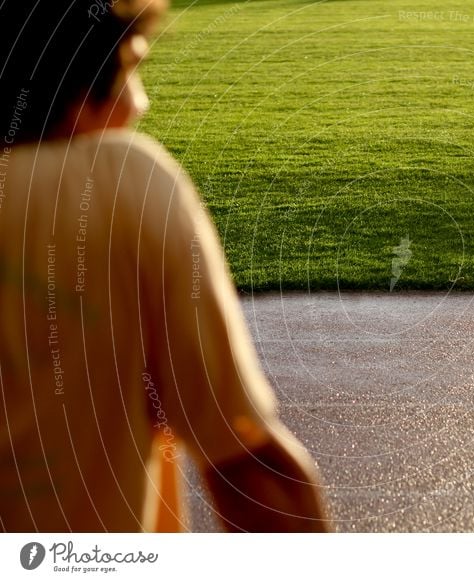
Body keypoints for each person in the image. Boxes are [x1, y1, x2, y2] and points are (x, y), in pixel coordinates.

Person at [0, 0, 331, 532]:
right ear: (72, 86)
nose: (140, 103)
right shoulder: (116, 181)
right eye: (128, 71)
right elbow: (247, 462)